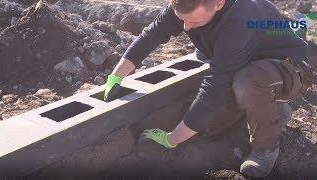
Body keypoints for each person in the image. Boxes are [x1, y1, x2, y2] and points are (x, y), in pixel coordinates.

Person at [103, 0, 314, 177]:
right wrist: (116, 76)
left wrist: (172, 139)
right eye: (182, 19)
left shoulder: (241, 19)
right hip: (244, 51)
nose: (185, 27)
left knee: (249, 81)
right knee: (217, 74)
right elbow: (152, 35)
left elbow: (214, 86)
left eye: (194, 20)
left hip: (287, 67)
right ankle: (252, 95)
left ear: (219, 3)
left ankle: (266, 145)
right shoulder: (188, 3)